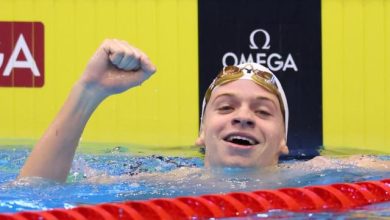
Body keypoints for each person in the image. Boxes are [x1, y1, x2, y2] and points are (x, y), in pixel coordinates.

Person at [18, 39, 389, 183]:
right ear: (201, 132)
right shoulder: (161, 187)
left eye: (262, 112)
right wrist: (89, 92)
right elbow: (35, 192)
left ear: (283, 142)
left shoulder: (320, 176)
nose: (243, 117)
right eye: (226, 107)